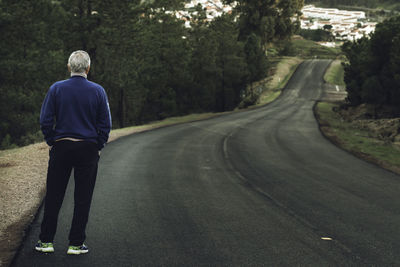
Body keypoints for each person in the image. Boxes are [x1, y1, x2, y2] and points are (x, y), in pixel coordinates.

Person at [35, 50, 111, 255]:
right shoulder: (98, 91)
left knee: (54, 195)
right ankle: (76, 244)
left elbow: (45, 120)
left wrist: (52, 140)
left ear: (69, 67)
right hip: (87, 149)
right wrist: (99, 145)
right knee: (82, 197)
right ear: (88, 68)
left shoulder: (56, 89)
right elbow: (106, 123)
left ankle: (46, 242)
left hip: (62, 146)